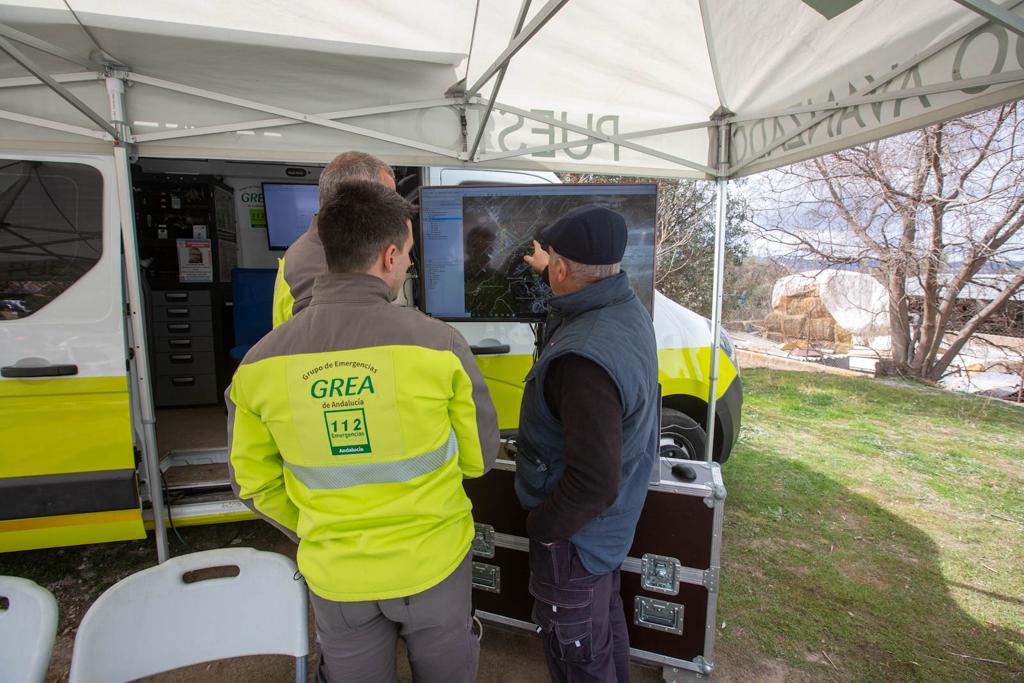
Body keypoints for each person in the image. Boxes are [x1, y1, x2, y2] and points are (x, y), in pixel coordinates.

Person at [227, 180, 500, 683]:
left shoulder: (258, 364)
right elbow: (480, 459)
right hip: (433, 565)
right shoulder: (441, 347)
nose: (410, 265)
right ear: (390, 256)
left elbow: (253, 484)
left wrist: (320, 525)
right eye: (410, 254)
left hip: (336, 575)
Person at [516, 205, 659, 683]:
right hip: (605, 535)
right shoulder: (626, 308)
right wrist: (550, 269)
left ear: (561, 269)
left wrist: (543, 526)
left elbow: (593, 482)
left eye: (552, 260)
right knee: (603, 636)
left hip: (575, 542)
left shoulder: (584, 362)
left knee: (579, 663)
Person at [271, 150, 396, 327]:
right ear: (354, 203)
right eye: (388, 204)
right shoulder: (326, 274)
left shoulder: (315, 247)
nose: (393, 214)